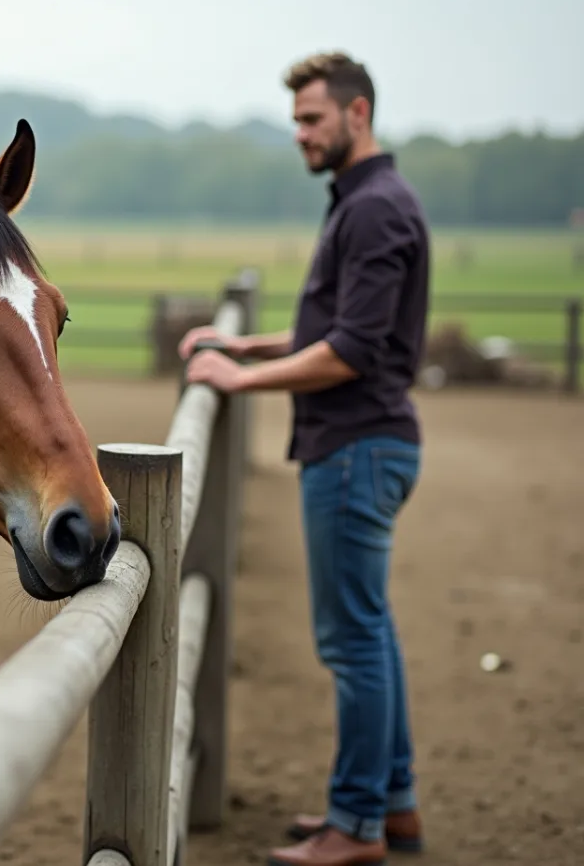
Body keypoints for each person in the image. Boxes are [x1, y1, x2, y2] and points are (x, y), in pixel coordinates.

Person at [178, 51, 430, 866]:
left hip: (355, 448)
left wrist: (237, 377)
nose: (300, 134)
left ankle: (353, 827)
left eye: (313, 118)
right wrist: (242, 340)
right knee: (370, 633)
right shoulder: (364, 202)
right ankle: (392, 807)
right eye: (295, 120)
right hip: (363, 445)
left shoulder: (376, 209)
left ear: (358, 115)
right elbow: (342, 329)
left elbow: (350, 351)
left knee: (352, 642)